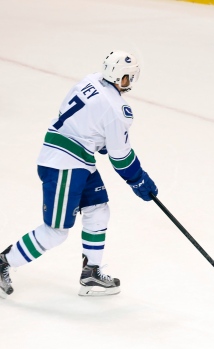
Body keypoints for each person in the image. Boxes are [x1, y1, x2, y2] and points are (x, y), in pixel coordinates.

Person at [0, 50, 158, 298]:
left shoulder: (91, 80)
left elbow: (87, 121)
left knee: (98, 209)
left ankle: (91, 274)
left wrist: (102, 140)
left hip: (77, 159)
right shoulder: (118, 110)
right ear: (125, 78)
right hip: (65, 163)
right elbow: (121, 158)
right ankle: (3, 263)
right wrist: (139, 180)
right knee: (55, 231)